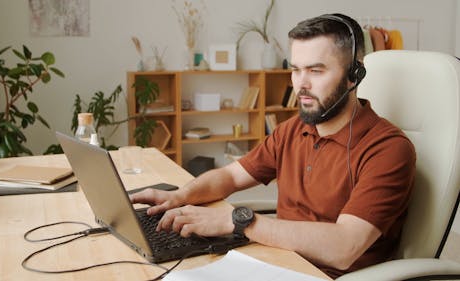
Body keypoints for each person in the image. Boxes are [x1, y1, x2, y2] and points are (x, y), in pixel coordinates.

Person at [131, 13, 416, 278]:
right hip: (272, 260)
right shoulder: (292, 130)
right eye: (296, 70)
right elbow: (231, 176)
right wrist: (180, 196)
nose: (300, 84)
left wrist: (239, 221)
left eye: (315, 71)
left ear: (355, 74)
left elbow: (344, 247)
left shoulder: (388, 149)